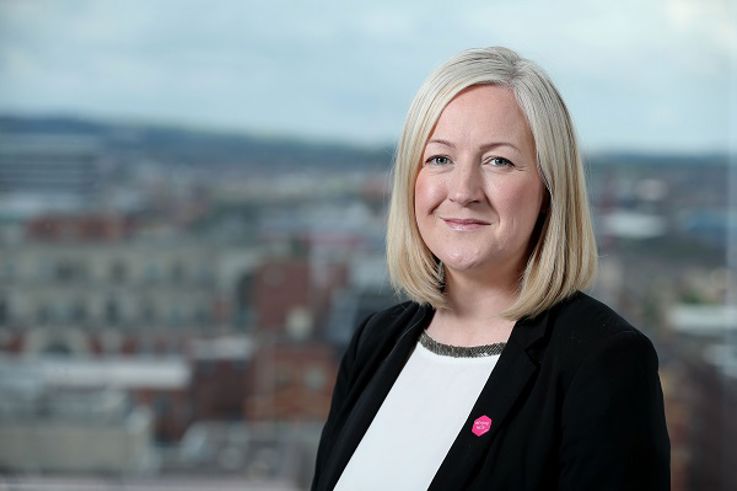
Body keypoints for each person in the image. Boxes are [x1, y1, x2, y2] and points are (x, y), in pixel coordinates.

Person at [311, 47, 670, 490]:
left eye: (498, 160)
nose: (463, 191)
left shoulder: (604, 362)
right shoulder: (376, 342)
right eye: (440, 159)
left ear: (549, 188)